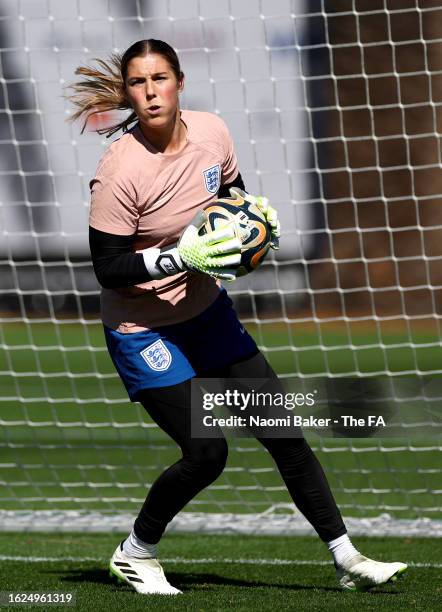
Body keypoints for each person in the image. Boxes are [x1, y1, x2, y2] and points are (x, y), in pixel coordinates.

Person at [67, 39, 407, 596]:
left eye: (160, 79)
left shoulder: (213, 133)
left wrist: (251, 230)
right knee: (207, 452)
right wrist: (182, 255)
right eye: (137, 83)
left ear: (180, 80)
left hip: (206, 314)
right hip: (143, 329)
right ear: (128, 92)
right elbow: (108, 268)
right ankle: (135, 553)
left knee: (285, 434)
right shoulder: (119, 169)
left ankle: (346, 558)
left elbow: (232, 197)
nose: (150, 92)